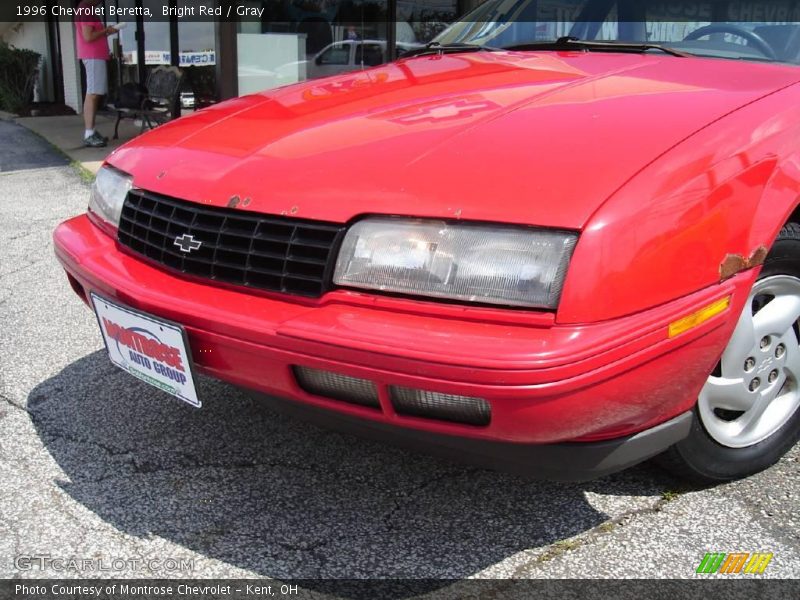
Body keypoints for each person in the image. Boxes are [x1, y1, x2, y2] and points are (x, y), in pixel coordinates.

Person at [74, 0, 118, 148]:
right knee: (93, 94)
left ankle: (91, 131)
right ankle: (89, 133)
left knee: (92, 93)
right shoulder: (86, 9)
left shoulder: (86, 8)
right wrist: (107, 31)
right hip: (93, 56)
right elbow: (88, 36)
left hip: (94, 56)